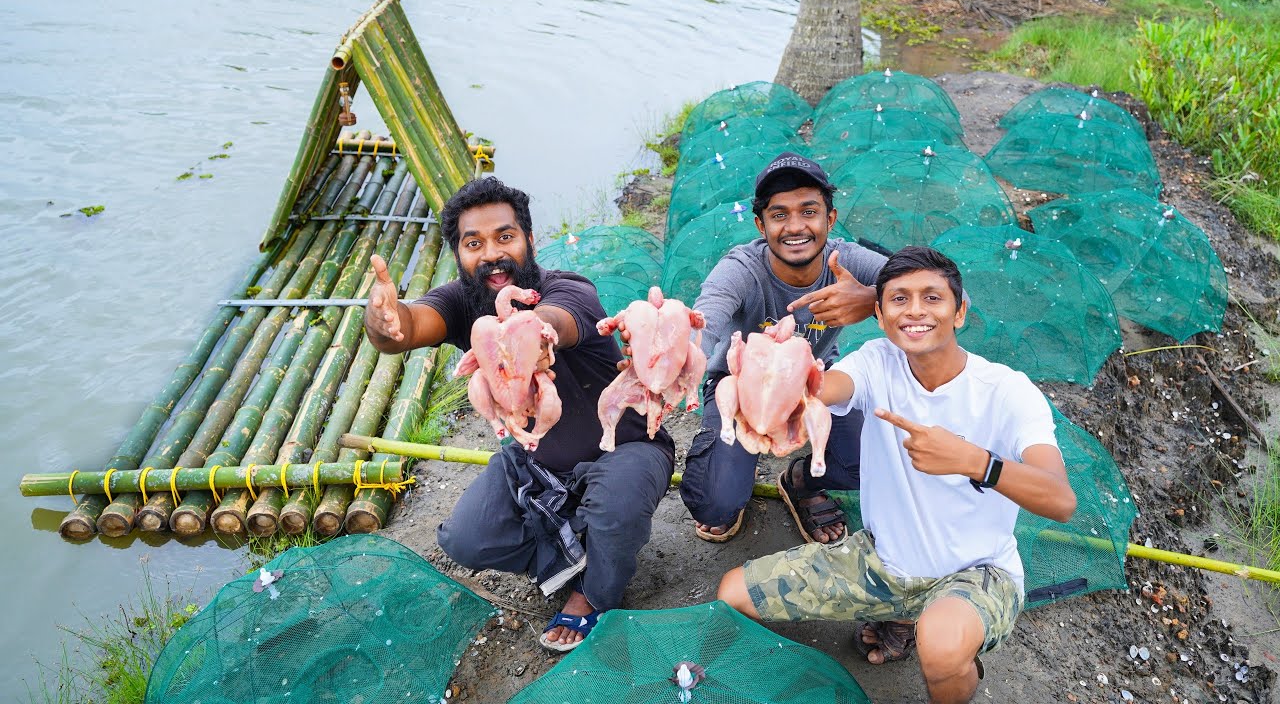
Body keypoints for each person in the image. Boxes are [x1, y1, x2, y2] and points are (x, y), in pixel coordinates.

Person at [716, 246, 1077, 704]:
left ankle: (938, 647)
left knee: (941, 646)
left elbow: (1060, 500)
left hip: (975, 574)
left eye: (933, 298)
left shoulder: (1007, 392)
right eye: (899, 299)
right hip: (880, 561)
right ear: (880, 316)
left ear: (960, 312)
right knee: (731, 595)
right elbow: (824, 389)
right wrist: (777, 369)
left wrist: (975, 461)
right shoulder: (876, 361)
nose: (916, 311)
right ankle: (901, 613)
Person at [363, 177, 675, 653]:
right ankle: (576, 550)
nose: (492, 254)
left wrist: (537, 333)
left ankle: (593, 593)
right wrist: (382, 321)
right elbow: (405, 328)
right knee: (465, 540)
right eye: (474, 243)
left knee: (616, 508)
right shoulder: (461, 302)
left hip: (625, 449)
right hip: (536, 461)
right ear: (458, 254)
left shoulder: (568, 289)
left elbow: (559, 321)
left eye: (504, 237)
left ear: (529, 239)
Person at [684, 151, 887, 544]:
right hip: (740, 387)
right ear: (761, 225)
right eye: (779, 215)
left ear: (830, 218)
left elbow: (943, 289)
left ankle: (801, 481)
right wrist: (682, 352)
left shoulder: (847, 260)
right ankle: (732, 471)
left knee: (868, 465)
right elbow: (705, 321)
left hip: (815, 384)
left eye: (809, 212)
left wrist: (873, 299)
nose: (795, 227)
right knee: (715, 502)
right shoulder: (741, 269)